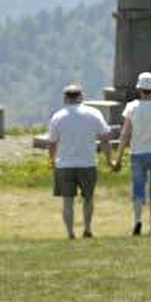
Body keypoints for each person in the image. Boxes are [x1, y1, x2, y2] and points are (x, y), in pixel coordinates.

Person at [112, 72, 151, 235]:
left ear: (139, 89)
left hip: (137, 153)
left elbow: (125, 134)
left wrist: (118, 158)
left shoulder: (132, 108)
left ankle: (138, 220)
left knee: (138, 190)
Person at [46, 84, 114, 239]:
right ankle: (88, 228)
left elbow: (52, 143)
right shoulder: (93, 114)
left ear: (65, 98)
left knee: (67, 202)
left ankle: (70, 232)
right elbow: (105, 139)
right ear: (81, 96)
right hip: (88, 163)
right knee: (88, 199)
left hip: (64, 164)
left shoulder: (58, 117)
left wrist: (51, 160)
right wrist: (109, 159)